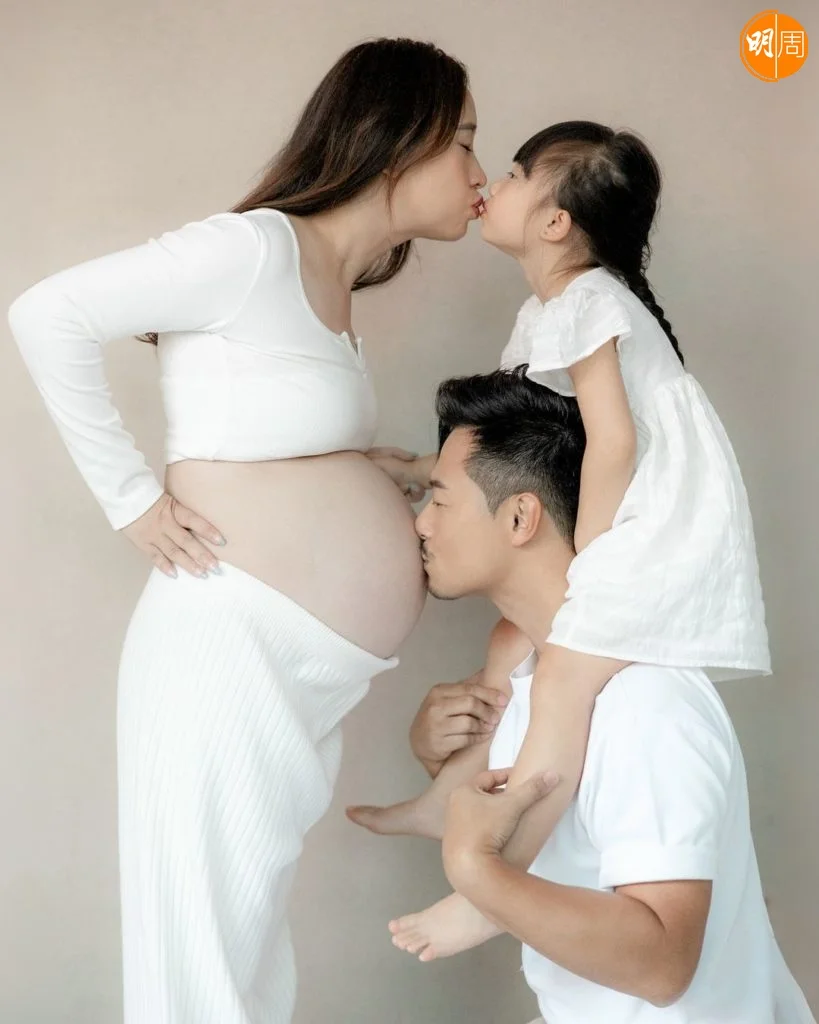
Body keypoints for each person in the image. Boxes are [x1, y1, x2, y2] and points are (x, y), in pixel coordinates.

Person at [7, 38, 487, 1024]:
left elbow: (272, 443)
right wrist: (131, 500)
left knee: (246, 944)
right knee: (203, 954)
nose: (481, 173)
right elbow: (45, 313)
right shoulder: (254, 250)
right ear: (400, 140)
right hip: (224, 652)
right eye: (466, 143)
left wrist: (378, 473)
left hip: (292, 669)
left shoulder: (334, 286)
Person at [348, 121, 770, 954]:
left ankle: (485, 895)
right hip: (631, 511)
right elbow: (514, 444)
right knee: (513, 645)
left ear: (554, 222)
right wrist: (417, 467)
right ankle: (446, 799)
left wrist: (589, 563)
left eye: (513, 173)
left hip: (657, 524)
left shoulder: (589, 301)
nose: (492, 183)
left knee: (564, 679)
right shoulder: (546, 309)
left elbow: (610, 444)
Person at [398, 368, 814, 1022]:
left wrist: (477, 874)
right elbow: (558, 855)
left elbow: (662, 964)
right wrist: (443, 769)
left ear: (519, 516)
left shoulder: (644, 703)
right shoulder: (529, 680)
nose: (420, 524)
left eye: (440, 501)